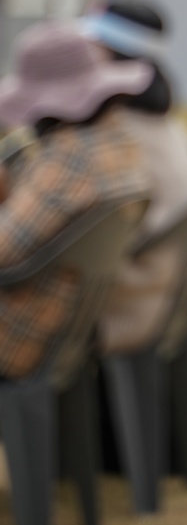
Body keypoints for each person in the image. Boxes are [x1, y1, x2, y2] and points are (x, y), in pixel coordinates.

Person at [0, 22, 151, 380]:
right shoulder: (118, 141)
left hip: (19, 334)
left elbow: (5, 247)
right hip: (69, 330)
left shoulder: (68, 156)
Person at [78, 0, 187, 355]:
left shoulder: (114, 132)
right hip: (167, 292)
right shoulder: (160, 122)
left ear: (104, 54)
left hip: (128, 300)